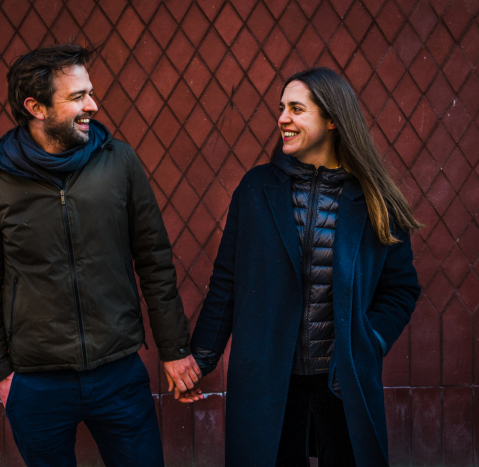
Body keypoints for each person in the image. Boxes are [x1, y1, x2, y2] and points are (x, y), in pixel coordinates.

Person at [0, 43, 201, 467]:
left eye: (89, 92)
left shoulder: (119, 161)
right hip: (36, 384)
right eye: (77, 97)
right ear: (35, 107)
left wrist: (174, 348)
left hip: (118, 374)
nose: (92, 104)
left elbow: (154, 261)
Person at [180, 67, 422, 466]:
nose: (282, 118)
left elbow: (401, 289)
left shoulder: (376, 199)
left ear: (332, 120)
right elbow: (226, 282)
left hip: (342, 383)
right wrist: (200, 360)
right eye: (281, 108)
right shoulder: (256, 189)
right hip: (268, 381)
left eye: (296, 109)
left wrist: (370, 341)